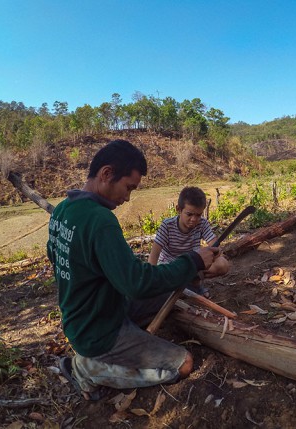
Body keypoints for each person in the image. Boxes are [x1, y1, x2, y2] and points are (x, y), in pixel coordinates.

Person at [47, 139, 219, 401]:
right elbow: (136, 284)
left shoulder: (62, 209)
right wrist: (193, 261)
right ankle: (88, 369)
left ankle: (115, 343)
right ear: (106, 174)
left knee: (172, 292)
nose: (127, 198)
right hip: (100, 332)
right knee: (184, 364)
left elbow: (54, 254)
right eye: (128, 188)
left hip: (88, 316)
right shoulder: (100, 220)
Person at [148, 186, 230, 295]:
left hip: (192, 266)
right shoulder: (167, 226)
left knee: (223, 264)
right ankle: (186, 287)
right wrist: (151, 282)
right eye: (189, 214)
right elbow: (154, 256)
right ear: (179, 209)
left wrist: (215, 252)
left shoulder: (202, 224)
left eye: (198, 215)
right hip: (171, 267)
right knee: (165, 275)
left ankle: (194, 283)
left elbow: (216, 247)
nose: (194, 219)